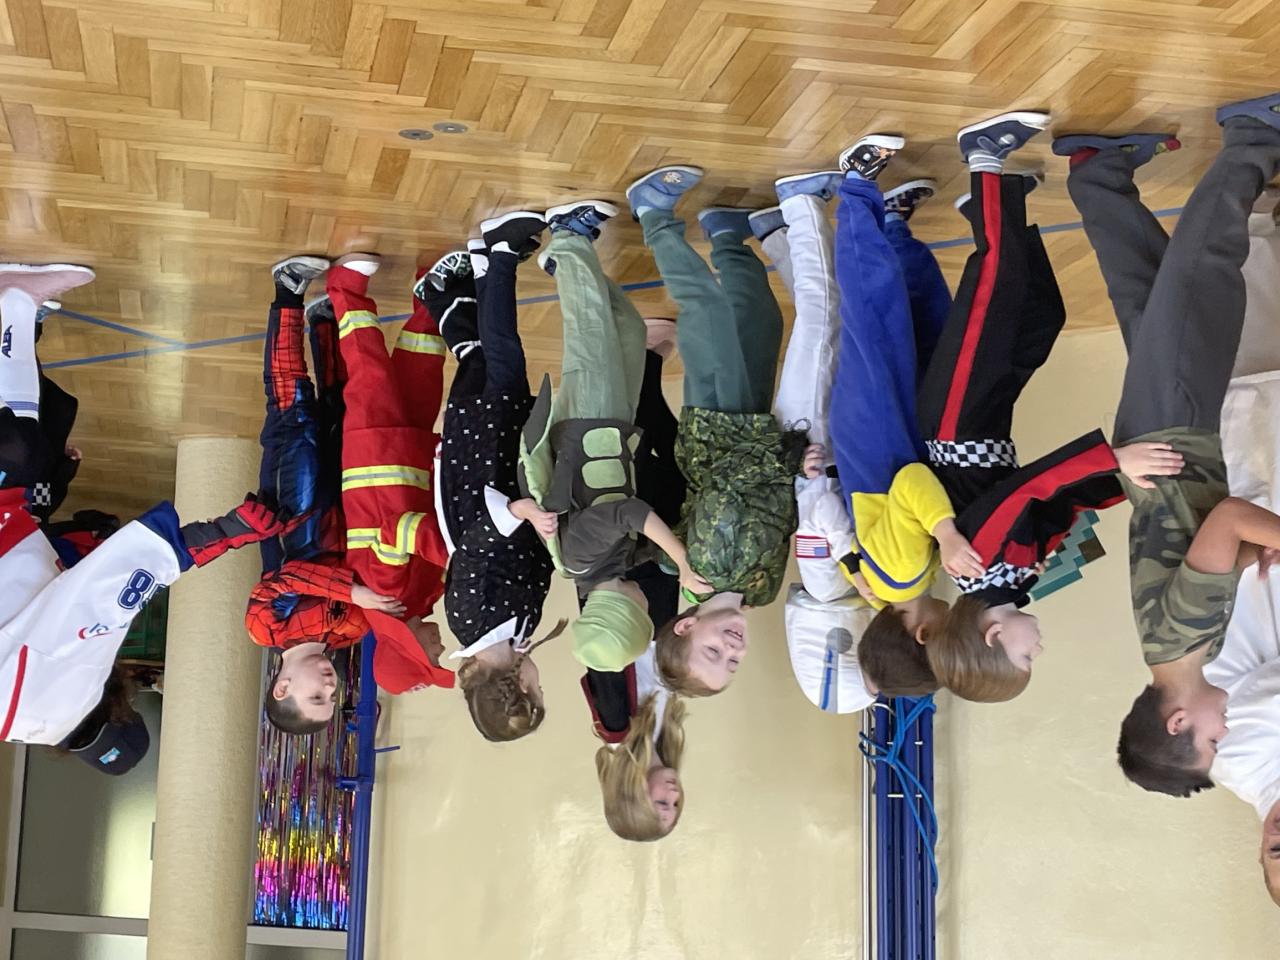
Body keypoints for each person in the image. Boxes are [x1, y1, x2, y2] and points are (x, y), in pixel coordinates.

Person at [1052, 91, 1280, 794]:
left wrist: (1261, 539)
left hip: (1174, 433)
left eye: (1211, 739)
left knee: (1203, 279)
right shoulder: (1175, 645)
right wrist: (1253, 554)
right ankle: (1097, 172)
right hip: (1166, 438)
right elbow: (1213, 543)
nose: (1225, 730)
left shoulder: (1186, 635)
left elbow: (1227, 518)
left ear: (1178, 722)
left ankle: (1252, 135)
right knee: (1152, 294)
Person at [917, 111, 1170, 703]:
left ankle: (984, 157)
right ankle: (990, 206)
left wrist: (1114, 459)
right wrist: (1123, 484)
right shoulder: (1019, 577)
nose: (1039, 647)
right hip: (989, 423)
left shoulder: (977, 566)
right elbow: (1063, 504)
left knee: (998, 285)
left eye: (1026, 654)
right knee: (1041, 317)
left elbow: (1025, 489)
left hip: (956, 425)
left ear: (993, 636)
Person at [249, 253, 457, 735]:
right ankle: (326, 318)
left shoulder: (266, 629)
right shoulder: (351, 630)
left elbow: (285, 579)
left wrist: (351, 591)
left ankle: (287, 292)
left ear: (282, 687)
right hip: (347, 497)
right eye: (332, 697)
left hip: (293, 509)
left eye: (316, 696)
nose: (330, 685)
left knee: (292, 408)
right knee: (344, 403)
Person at [626, 165, 807, 695]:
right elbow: (780, 518)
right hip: (757, 433)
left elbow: (727, 487)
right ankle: (727, 232)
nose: (732, 649)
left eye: (714, 652)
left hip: (720, 432)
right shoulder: (761, 592)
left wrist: (790, 459)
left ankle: (653, 214)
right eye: (732, 662)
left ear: (686, 626)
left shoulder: (707, 568)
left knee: (705, 311)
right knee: (763, 322)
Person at [520, 200, 709, 682]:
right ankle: (565, 263)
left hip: (588, 424)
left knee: (590, 331)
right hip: (613, 430)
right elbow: (643, 545)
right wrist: (683, 567)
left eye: (642, 614)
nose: (649, 604)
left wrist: (681, 559)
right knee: (626, 328)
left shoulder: (582, 560)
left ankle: (567, 234)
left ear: (623, 612)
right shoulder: (612, 566)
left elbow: (628, 513)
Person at [424, 215, 559, 743]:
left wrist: (518, 512)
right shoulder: (521, 630)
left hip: (479, 472)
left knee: (503, 360)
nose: (542, 682)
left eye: (538, 691)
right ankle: (452, 288)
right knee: (484, 360)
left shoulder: (469, 622)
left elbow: (473, 554)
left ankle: (497, 254)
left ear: (517, 687)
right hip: (506, 474)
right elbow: (538, 567)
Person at [581, 343, 690, 840]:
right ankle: (645, 366)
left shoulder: (616, 726)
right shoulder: (663, 734)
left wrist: (623, 582)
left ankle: (636, 358)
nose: (672, 794)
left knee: (646, 473)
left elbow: (606, 646)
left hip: (629, 584)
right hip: (659, 600)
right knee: (670, 475)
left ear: (630, 791)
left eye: (660, 803)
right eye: (676, 805)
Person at [0, 265, 92, 526]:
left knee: (17, 444)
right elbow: (42, 502)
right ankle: (21, 307)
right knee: (29, 431)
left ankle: (18, 300)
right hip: (32, 467)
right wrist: (64, 471)